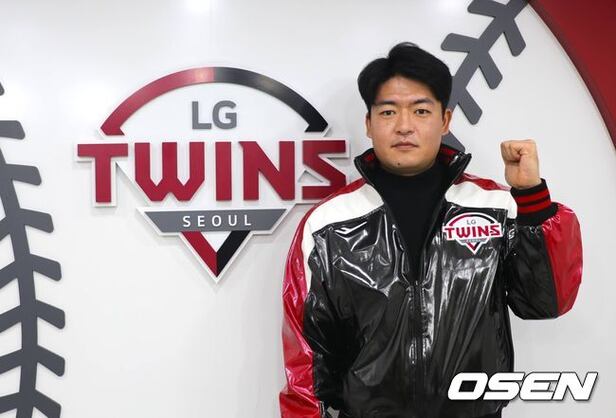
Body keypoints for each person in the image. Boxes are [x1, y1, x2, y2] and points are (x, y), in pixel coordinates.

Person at [279, 42, 582, 418]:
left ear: (445, 120)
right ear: (369, 123)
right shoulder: (328, 225)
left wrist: (532, 199)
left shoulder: (495, 208)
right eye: (388, 111)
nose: (404, 125)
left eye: (421, 110)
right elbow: (306, 361)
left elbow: (545, 303)